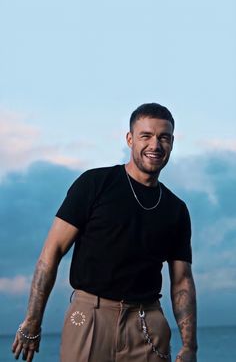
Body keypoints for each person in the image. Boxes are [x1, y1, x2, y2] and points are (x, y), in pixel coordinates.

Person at [12, 103, 197, 362]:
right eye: (146, 136)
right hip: (89, 317)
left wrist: (190, 345)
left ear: (172, 143)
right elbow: (51, 252)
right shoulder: (94, 184)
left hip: (147, 325)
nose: (155, 145)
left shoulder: (176, 209)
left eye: (163, 137)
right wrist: (33, 320)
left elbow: (182, 280)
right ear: (130, 139)